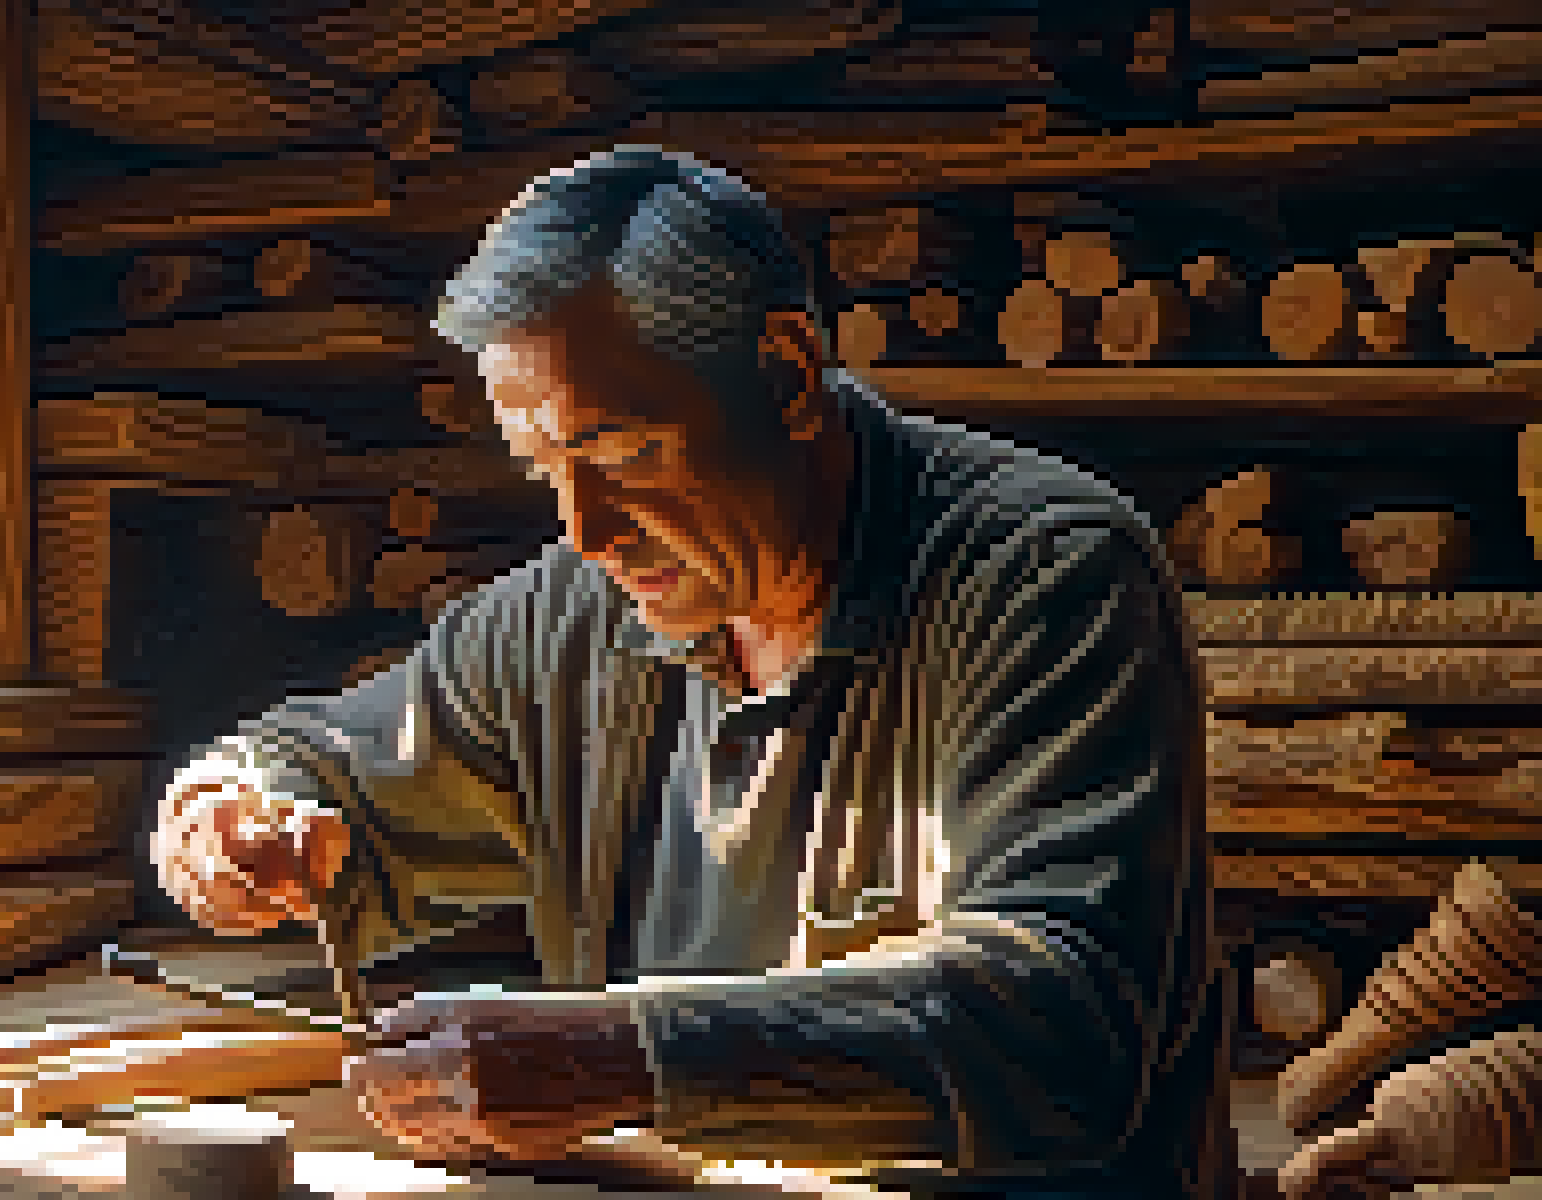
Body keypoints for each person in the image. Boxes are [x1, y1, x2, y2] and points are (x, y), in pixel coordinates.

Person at [152, 146, 1223, 1196]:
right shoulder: (570, 615)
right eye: (545, 469)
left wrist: (627, 1056)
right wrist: (233, 808)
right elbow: (328, 768)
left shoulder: (1045, 577)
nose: (586, 530)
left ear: (788, 377)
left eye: (622, 455)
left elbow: (1057, 1025)